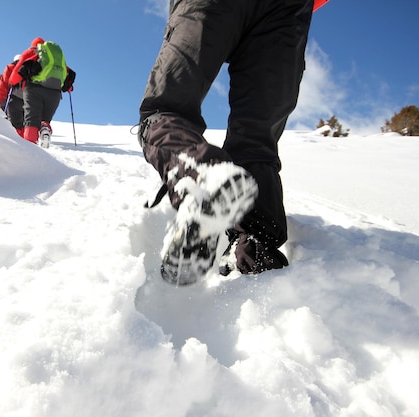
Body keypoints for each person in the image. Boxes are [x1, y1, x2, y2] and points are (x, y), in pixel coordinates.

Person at [138, 0, 328, 285]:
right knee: (256, 141)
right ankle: (255, 249)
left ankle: (201, 178)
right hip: (287, 12)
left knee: (164, 110)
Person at [8, 37, 76, 147]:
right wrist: (69, 88)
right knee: (44, 120)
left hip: (34, 89)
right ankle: (45, 128)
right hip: (55, 93)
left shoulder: (31, 52)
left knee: (32, 119)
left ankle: (28, 148)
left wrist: (12, 82)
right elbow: (66, 76)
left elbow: (16, 74)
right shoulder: (54, 57)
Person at [0, 54, 25, 137]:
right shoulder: (29, 66)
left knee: (14, 124)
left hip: (13, 98)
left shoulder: (10, 67)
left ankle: (14, 140)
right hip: (28, 99)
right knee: (24, 124)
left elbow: (3, 85)